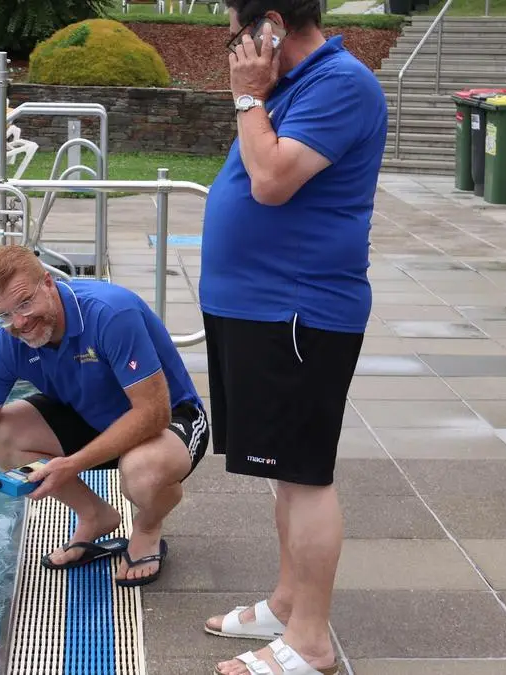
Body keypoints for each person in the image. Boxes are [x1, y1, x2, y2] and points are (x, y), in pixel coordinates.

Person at [198, 0, 387, 674]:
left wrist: (250, 97)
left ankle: (311, 638)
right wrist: (260, 94)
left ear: (268, 28)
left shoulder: (342, 84)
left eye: (233, 36)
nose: (230, 52)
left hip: (299, 313)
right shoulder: (291, 88)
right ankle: (287, 600)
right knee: (281, 472)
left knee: (305, 474)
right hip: (259, 307)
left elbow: (272, 180)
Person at [0, 244, 209, 587]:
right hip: (91, 416)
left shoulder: (110, 313)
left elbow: (153, 413)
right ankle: (94, 515)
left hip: (170, 418)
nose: (19, 322)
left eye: (25, 303)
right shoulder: (4, 344)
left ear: (49, 283)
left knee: (142, 474)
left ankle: (148, 525)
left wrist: (74, 463)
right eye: (5, 314)